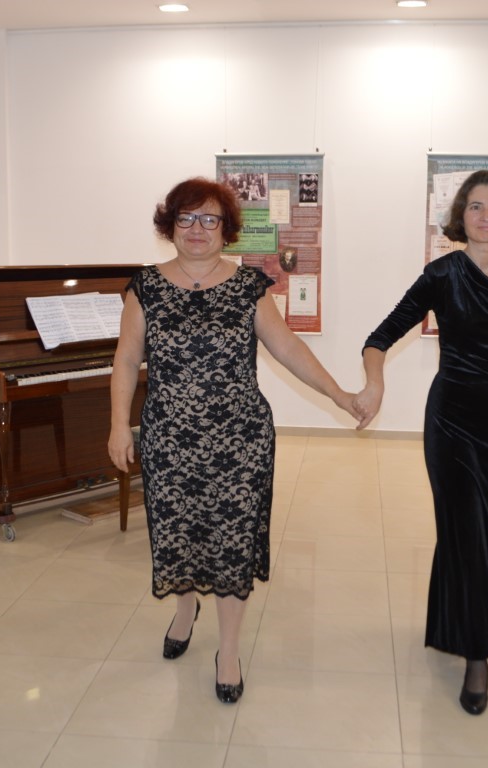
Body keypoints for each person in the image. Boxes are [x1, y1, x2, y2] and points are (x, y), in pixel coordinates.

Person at [108, 177, 360, 704]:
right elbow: (127, 360)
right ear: (170, 225)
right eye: (186, 218)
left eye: (210, 219)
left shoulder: (249, 286)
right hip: (169, 438)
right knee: (176, 532)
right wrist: (116, 424)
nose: (197, 229)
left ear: (226, 229)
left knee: (232, 542)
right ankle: (184, 610)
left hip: (240, 439)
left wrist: (339, 394)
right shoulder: (145, 286)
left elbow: (288, 348)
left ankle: (227, 651)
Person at [353, 170, 488, 716]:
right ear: (459, 216)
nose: (486, 216)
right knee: (467, 530)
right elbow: (379, 337)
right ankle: (478, 655)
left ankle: (457, 620)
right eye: (475, 207)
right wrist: (374, 383)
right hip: (453, 421)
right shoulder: (441, 274)